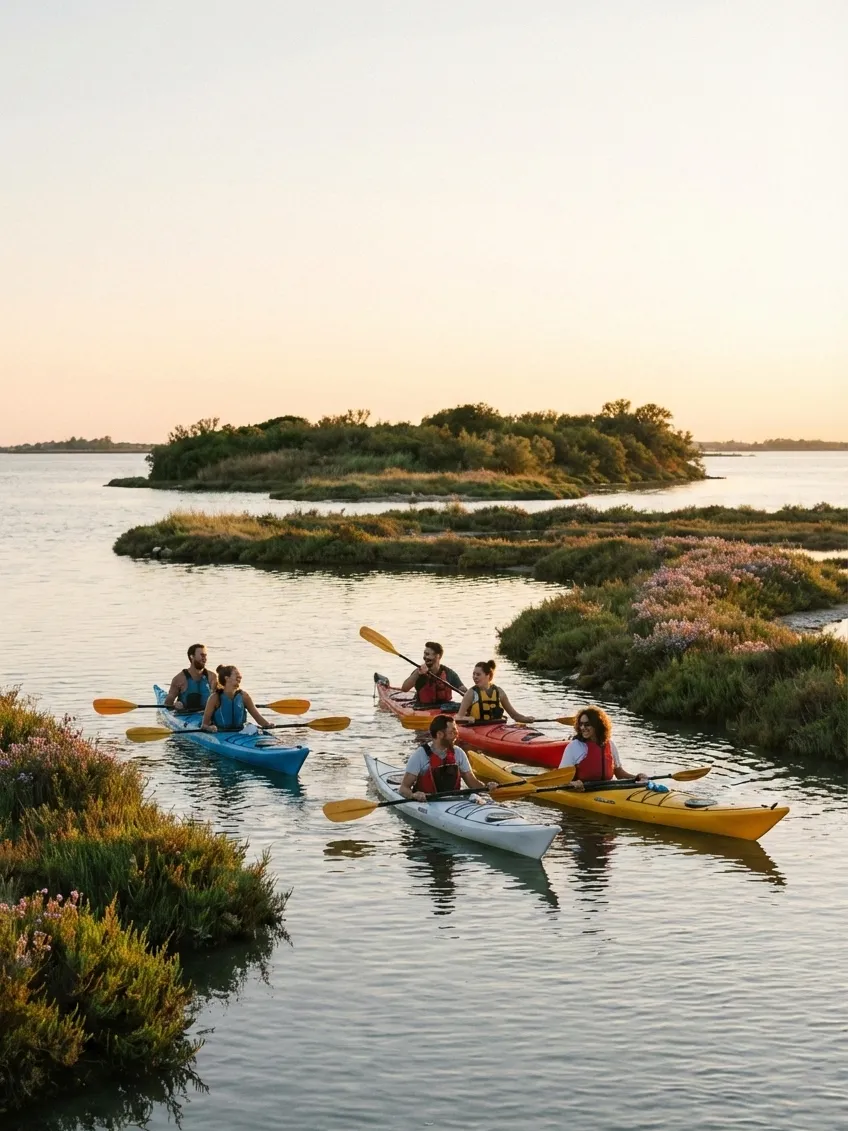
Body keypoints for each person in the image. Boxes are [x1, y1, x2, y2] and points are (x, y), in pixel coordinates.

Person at [399, 715, 497, 802]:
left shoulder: (458, 752)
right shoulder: (420, 755)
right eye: (451, 732)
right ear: (439, 734)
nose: (456, 734)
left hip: (453, 802)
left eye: (456, 730)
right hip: (428, 802)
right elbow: (403, 788)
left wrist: (486, 787)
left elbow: (472, 781)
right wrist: (413, 795)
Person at [558, 706, 647, 789]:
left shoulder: (610, 745)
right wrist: (572, 784)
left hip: (606, 790)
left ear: (597, 725)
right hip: (581, 791)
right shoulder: (574, 747)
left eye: (587, 724)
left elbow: (619, 773)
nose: (582, 727)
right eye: (581, 724)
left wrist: (636, 778)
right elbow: (560, 780)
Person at [454, 660, 536, 725]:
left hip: (497, 727)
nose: (475, 677)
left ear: (488, 675)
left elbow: (514, 715)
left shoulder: (499, 692)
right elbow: (458, 717)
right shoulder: (471, 693)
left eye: (478, 674)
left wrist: (526, 719)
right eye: (474, 674)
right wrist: (468, 718)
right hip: (477, 727)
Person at [201, 665, 273, 732]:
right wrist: (209, 728)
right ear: (227, 678)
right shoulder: (214, 698)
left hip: (241, 732)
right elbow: (204, 725)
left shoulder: (244, 696)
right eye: (236, 674)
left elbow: (258, 718)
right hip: (220, 733)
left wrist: (267, 725)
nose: (240, 676)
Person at [400, 641, 466, 708]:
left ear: (438, 656)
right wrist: (417, 673)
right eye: (424, 654)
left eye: (427, 654)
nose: (425, 657)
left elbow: (462, 689)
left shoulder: (448, 673)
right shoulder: (419, 672)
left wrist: (470, 695)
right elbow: (404, 689)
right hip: (422, 707)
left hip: (445, 707)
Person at [164, 643, 216, 711]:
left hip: (206, 714)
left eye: (205, 656)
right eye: (202, 655)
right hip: (186, 714)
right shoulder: (179, 679)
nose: (204, 659)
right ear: (192, 657)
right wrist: (175, 705)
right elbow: (167, 704)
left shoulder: (212, 677)